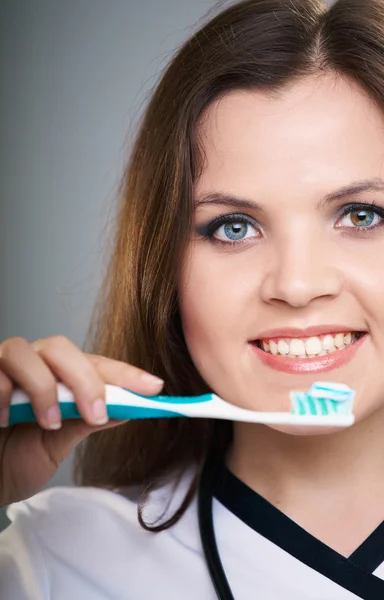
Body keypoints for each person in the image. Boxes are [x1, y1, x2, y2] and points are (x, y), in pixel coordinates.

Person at [2, 0, 384, 597]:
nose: (297, 284)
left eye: (361, 215)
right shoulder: (55, 560)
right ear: (165, 270)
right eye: (233, 227)